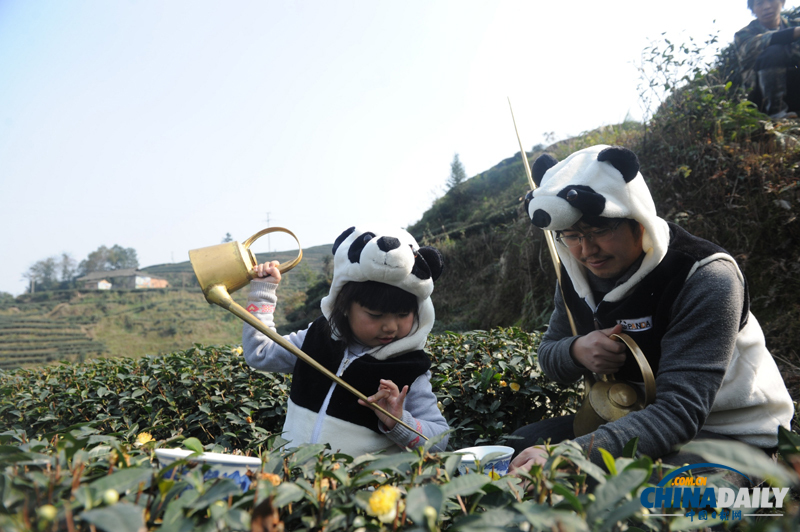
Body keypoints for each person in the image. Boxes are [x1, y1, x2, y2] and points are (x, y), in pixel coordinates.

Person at [510, 144, 794, 472]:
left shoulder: (704, 276)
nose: (587, 250)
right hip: (636, 418)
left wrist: (569, 456)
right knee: (516, 447)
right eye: (571, 236)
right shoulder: (575, 278)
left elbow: (678, 413)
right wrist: (575, 351)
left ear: (637, 218)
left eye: (600, 230)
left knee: (662, 505)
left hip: (727, 433)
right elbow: (548, 353)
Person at [242, 226, 449, 456]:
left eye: (402, 315)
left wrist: (398, 420)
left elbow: (439, 440)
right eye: (375, 315)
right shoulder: (317, 337)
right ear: (345, 306)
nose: (390, 326)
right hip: (295, 479)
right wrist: (263, 292)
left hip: (358, 490)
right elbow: (260, 352)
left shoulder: (410, 370)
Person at [734, 0, 800, 119]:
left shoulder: (795, 24)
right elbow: (764, 41)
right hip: (760, 99)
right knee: (774, 52)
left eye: (771, 1)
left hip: (795, 89)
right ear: (753, 9)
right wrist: (795, 33)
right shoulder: (744, 35)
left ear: (782, 2)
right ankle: (777, 114)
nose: (767, 7)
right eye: (760, 3)